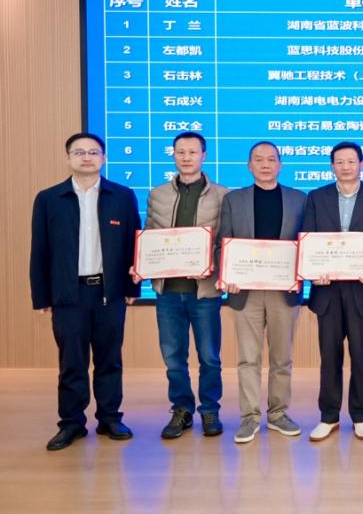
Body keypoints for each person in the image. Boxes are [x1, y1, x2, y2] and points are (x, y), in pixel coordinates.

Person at [30, 133, 140, 451]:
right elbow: (40, 250)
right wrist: (42, 296)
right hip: (68, 294)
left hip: (109, 292)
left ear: (104, 158)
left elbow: (134, 242)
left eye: (93, 152)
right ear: (68, 158)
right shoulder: (49, 198)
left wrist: (132, 286)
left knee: (110, 360)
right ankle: (71, 423)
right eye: (79, 152)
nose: (87, 157)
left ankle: (109, 418)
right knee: (72, 363)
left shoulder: (122, 196)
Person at [137, 131, 228, 439]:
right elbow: (150, 235)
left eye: (193, 152)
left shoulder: (222, 195)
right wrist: (142, 263)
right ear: (173, 155)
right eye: (180, 152)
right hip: (167, 292)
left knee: (209, 357)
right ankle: (182, 409)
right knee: (173, 357)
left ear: (204, 155)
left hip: (205, 291)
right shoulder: (158, 194)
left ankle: (210, 408)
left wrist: (214, 264)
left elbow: (225, 242)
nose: (186, 157)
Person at [219, 141, 306, 444]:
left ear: (280, 164)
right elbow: (224, 241)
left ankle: (279, 413)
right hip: (245, 291)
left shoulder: (299, 199)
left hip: (284, 290)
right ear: (249, 165)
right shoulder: (233, 199)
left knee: (282, 358)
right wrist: (227, 275)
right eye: (259, 159)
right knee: (248, 358)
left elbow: (307, 243)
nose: (265, 164)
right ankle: (249, 417)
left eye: (271, 159)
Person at [302, 141, 363, 442]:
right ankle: (328, 416)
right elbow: (309, 237)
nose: (346, 166)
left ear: (361, 164)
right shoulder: (317, 197)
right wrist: (314, 270)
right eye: (339, 162)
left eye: (351, 161)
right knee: (329, 356)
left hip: (361, 290)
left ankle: (361, 416)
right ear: (332, 166)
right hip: (327, 291)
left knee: (361, 356)